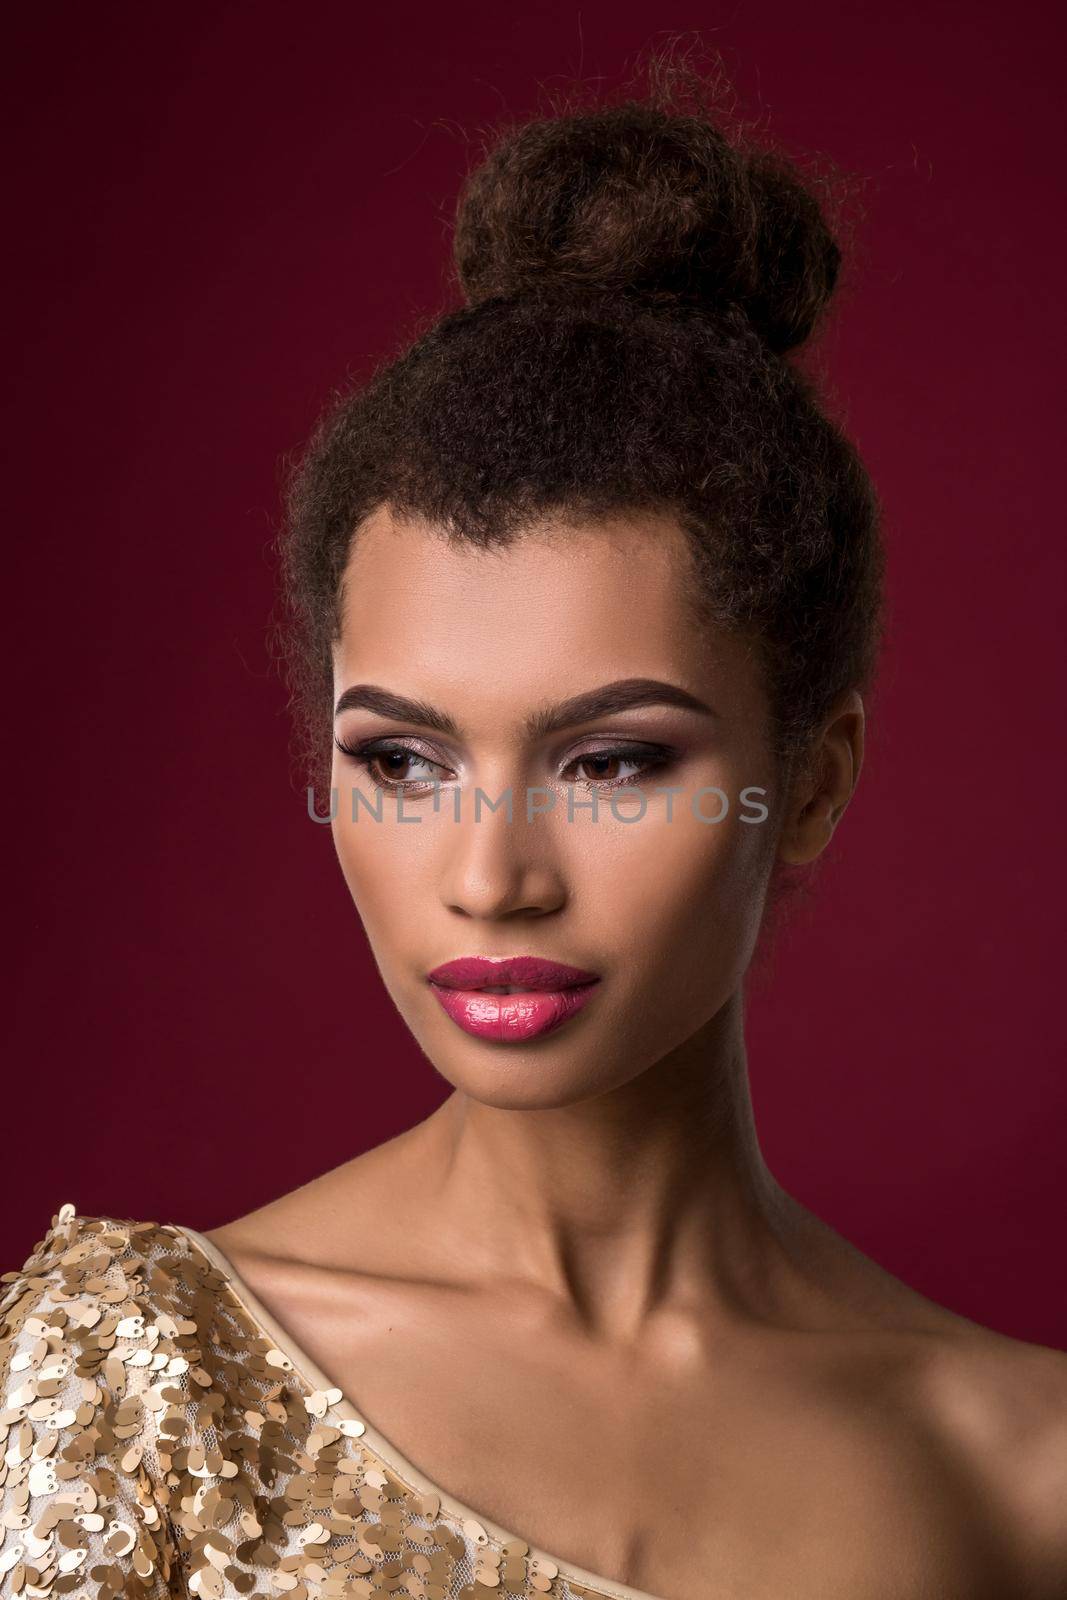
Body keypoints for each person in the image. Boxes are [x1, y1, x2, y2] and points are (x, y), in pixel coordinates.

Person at [3, 56, 1065, 1600]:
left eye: (615, 762)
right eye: (406, 762)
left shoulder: (1018, 1471)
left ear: (814, 782)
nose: (492, 877)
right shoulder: (118, 1391)